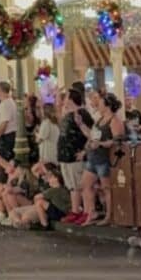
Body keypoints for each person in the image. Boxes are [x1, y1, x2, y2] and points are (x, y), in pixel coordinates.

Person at [78, 91, 124, 226]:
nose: (98, 104)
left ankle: (109, 215)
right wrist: (81, 125)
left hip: (104, 158)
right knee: (85, 185)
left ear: (108, 105)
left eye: (101, 102)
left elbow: (117, 141)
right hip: (93, 157)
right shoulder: (99, 119)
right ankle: (91, 213)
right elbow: (92, 135)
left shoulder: (114, 120)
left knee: (106, 188)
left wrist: (101, 144)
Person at [58, 88, 93, 224]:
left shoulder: (82, 113)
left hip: (75, 155)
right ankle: (75, 210)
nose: (64, 100)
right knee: (72, 186)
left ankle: (85, 211)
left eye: (66, 97)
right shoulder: (68, 114)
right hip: (65, 156)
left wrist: (85, 151)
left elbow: (91, 134)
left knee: (80, 184)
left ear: (71, 99)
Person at [0, 81, 17, 162]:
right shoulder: (7, 102)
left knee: (3, 160)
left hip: (7, 138)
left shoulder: (6, 103)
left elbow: (4, 124)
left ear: (1, 91)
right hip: (6, 137)